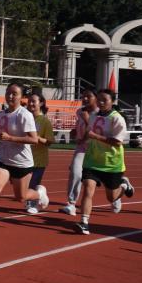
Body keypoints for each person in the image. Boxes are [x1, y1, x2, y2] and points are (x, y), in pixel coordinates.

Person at [0, 83, 49, 239]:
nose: (10, 96)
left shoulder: (24, 115)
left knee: (21, 197)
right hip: (2, 159)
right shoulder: (1, 115)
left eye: (14, 93)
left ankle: (40, 193)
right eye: (8, 93)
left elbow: (34, 140)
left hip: (21, 162)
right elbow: (2, 134)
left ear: (21, 97)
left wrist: (11, 138)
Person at [75, 89, 135, 234]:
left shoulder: (117, 118)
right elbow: (89, 133)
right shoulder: (93, 116)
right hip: (92, 160)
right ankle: (84, 222)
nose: (101, 103)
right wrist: (81, 139)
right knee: (88, 189)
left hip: (111, 163)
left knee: (112, 197)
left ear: (112, 101)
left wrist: (95, 136)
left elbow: (117, 142)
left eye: (105, 100)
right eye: (99, 100)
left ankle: (124, 186)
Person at [60, 88, 97, 216]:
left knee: (106, 180)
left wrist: (87, 120)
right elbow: (79, 125)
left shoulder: (100, 113)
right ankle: (71, 204)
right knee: (75, 173)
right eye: (83, 96)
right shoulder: (80, 111)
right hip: (81, 148)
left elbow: (95, 130)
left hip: (97, 150)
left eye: (88, 96)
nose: (85, 99)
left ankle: (120, 186)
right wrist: (75, 131)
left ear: (96, 98)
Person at [25, 92, 54, 215]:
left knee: (32, 183)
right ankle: (41, 193)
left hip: (39, 159)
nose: (30, 104)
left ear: (41, 103)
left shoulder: (45, 121)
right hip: (24, 157)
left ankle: (32, 204)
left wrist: (36, 138)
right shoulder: (26, 118)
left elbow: (50, 141)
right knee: (21, 184)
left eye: (34, 101)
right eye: (29, 101)